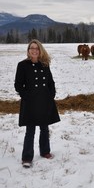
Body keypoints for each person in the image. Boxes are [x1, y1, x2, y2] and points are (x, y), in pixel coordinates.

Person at [14, 39, 60, 168]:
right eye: (31, 48)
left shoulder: (45, 64)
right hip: (30, 102)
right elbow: (18, 85)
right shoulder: (22, 65)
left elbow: (51, 82)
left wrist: (51, 95)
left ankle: (45, 151)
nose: (34, 50)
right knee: (30, 130)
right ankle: (27, 157)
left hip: (44, 100)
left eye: (36, 48)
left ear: (40, 50)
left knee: (44, 128)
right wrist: (26, 96)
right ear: (28, 51)